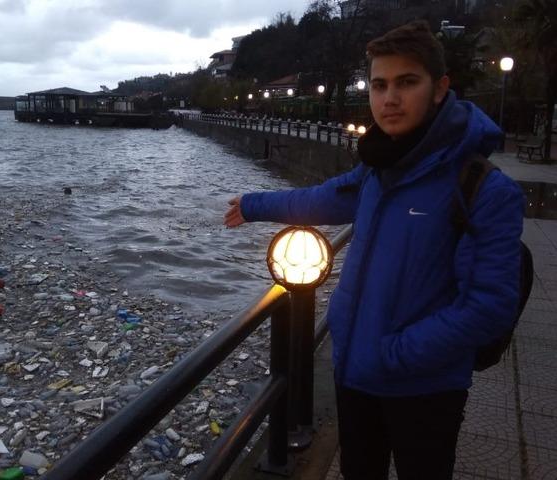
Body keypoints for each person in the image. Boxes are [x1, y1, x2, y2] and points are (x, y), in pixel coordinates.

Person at [223, 20, 524, 480]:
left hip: (424, 386)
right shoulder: (379, 170)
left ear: (440, 88)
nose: (390, 99)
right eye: (379, 85)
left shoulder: (483, 187)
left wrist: (394, 354)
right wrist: (253, 204)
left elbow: (490, 306)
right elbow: (320, 198)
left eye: (407, 82)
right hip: (356, 373)